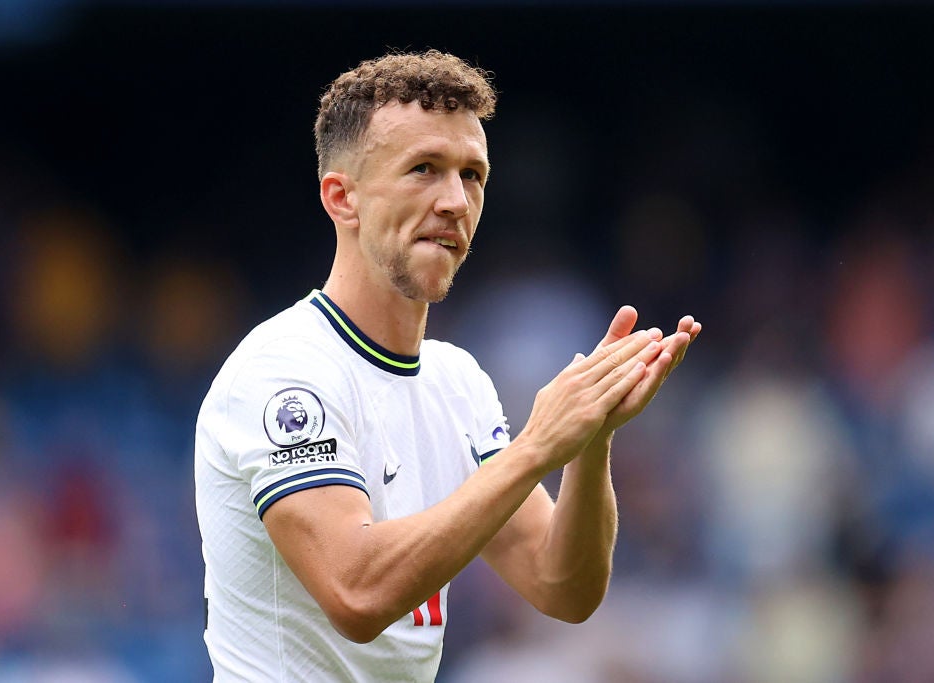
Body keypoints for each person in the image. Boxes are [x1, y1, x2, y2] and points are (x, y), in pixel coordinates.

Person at [194, 50, 701, 682]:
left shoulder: (455, 382)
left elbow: (562, 587)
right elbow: (357, 593)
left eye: (472, 175)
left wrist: (589, 442)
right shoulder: (284, 373)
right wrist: (536, 446)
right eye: (424, 169)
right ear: (342, 198)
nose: (456, 202)